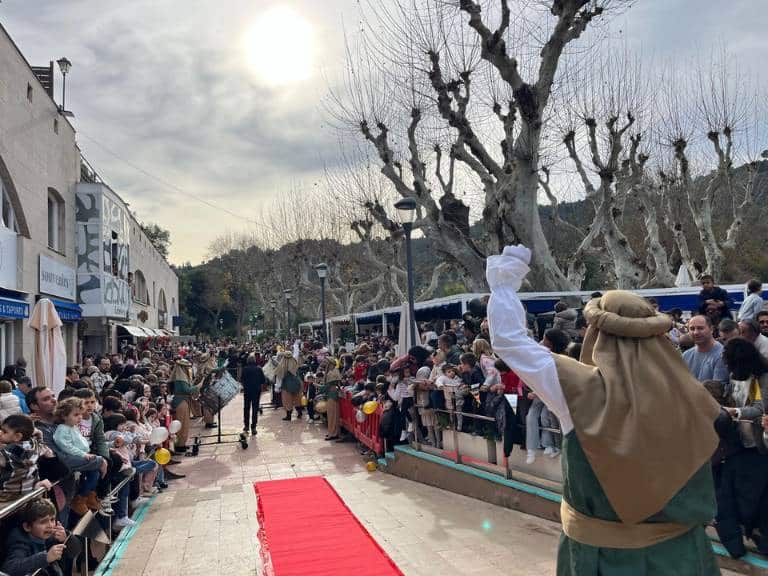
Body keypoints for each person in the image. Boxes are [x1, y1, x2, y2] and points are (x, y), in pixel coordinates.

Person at [487, 245, 721, 575]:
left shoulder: (577, 392)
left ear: (597, 335)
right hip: (682, 557)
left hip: (602, 561)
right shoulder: (694, 397)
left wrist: (505, 282)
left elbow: (510, 341)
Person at [714, 337, 768, 557]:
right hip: (738, 446)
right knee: (738, 495)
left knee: (755, 496)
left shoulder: (762, 378)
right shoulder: (734, 376)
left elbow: (760, 407)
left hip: (758, 446)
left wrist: (735, 412)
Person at [52, 398, 108, 515]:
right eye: (76, 415)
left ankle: (88, 496)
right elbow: (65, 446)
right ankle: (81, 497)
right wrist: (83, 454)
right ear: (64, 416)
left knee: (95, 474)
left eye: (80, 415)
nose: (80, 418)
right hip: (77, 459)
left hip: (84, 456)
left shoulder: (73, 427)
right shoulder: (62, 429)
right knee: (94, 473)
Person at [2, 498, 67, 576]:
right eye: (43, 522)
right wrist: (45, 557)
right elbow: (9, 569)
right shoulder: (20, 543)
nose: (50, 525)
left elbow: (76, 550)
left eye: (52, 519)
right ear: (27, 527)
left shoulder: (51, 535)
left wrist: (64, 540)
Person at [0, 414, 53, 502]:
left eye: (4, 432)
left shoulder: (6, 452)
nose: (0, 433)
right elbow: (42, 446)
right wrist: (39, 434)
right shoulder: (35, 445)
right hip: (29, 490)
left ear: (17, 437)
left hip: (7, 494)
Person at [683, 315, 730, 388]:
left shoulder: (722, 355)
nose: (696, 332)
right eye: (692, 329)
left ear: (711, 329)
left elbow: (716, 391)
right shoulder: (686, 355)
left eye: (700, 328)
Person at [241, 354, 265, 434]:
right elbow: (263, 381)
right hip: (256, 391)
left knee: (246, 408)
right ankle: (253, 427)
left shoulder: (245, 369)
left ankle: (246, 426)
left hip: (247, 390)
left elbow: (242, 379)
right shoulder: (259, 369)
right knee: (255, 409)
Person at [274, 352, 301, 421]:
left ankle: (288, 416)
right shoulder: (294, 362)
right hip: (296, 383)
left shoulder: (282, 364)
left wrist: (277, 387)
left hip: (286, 385)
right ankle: (299, 412)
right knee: (297, 398)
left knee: (287, 400)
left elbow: (279, 376)